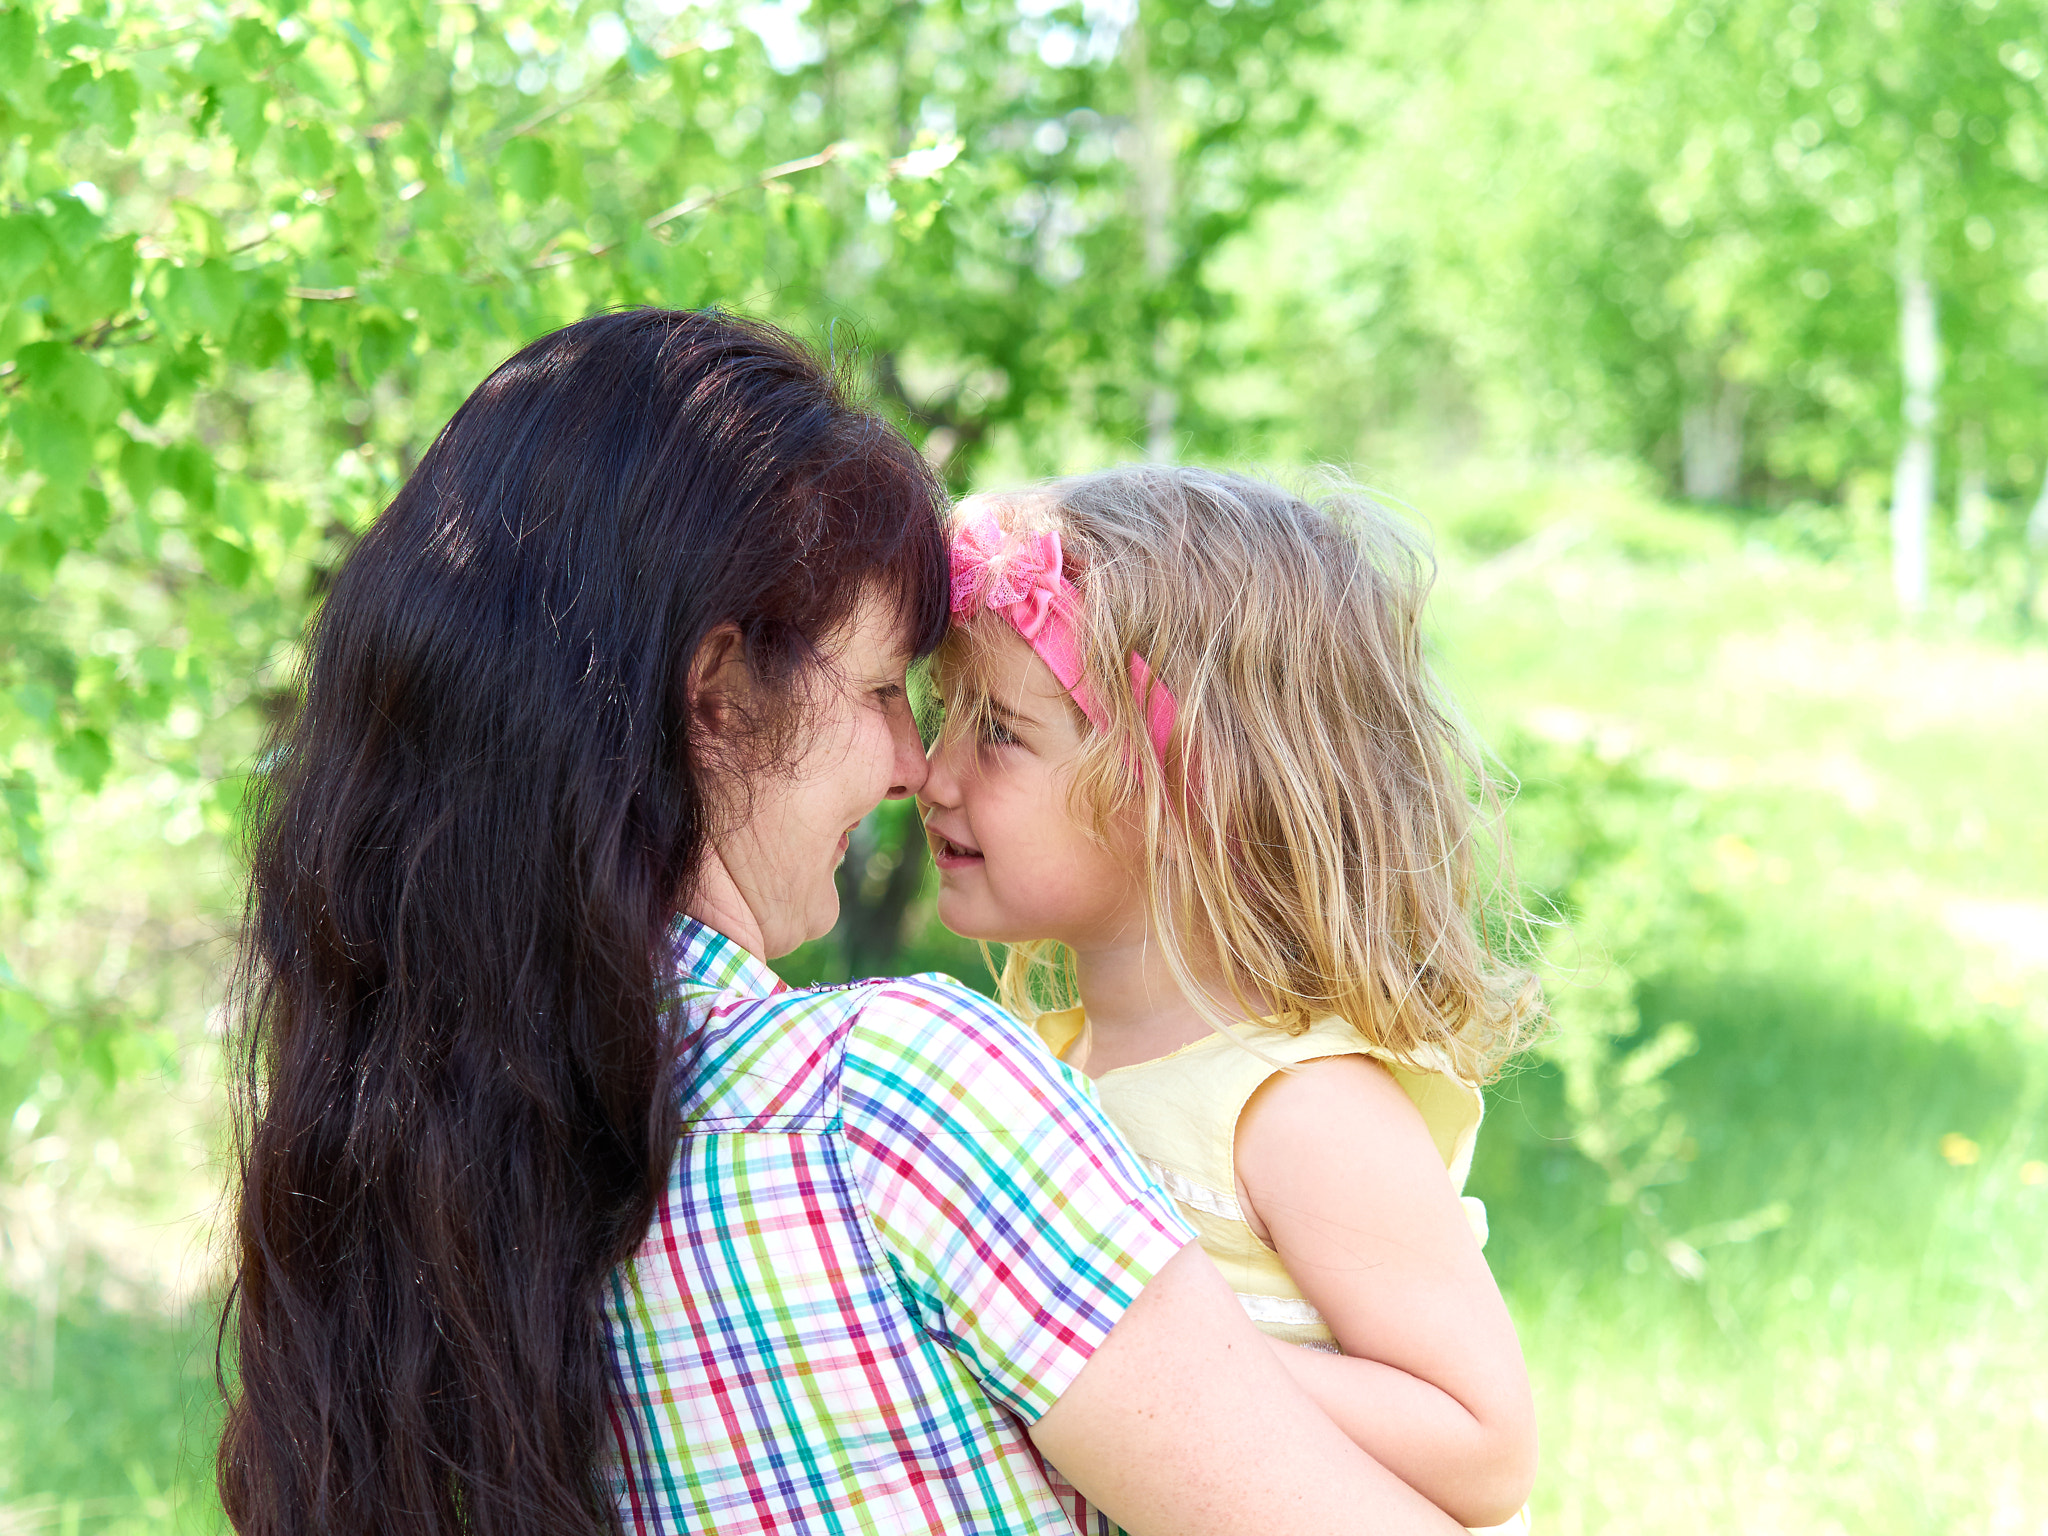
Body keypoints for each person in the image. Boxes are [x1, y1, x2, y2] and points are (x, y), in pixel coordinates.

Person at [219, 309, 1467, 1536]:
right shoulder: (888, 1105)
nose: (910, 764)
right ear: (715, 696)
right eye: (883, 690)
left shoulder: (460, 1148)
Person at [920, 467, 1545, 1534]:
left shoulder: (1295, 1105)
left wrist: (1142, 1363)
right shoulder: (1036, 1068)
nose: (930, 777)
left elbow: (1482, 1444)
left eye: (998, 733)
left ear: (1186, 781)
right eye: (943, 717)